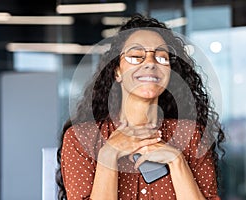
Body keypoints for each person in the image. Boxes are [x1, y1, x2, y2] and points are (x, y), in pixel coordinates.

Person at [56, 14, 225, 200]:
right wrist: (108, 155)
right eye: (136, 56)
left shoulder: (191, 135)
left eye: (161, 58)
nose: (150, 63)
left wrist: (178, 162)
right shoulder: (82, 139)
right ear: (117, 71)